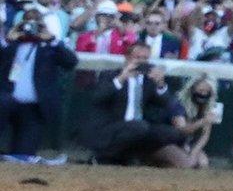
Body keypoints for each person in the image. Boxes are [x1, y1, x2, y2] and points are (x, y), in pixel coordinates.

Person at [83, 43, 194, 167]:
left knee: (171, 133)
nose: (141, 62)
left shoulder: (148, 80)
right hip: (113, 128)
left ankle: (137, 157)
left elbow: (167, 103)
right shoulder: (110, 75)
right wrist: (121, 78)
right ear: (127, 57)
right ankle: (102, 157)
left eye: (145, 58)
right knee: (139, 127)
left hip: (140, 127)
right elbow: (98, 97)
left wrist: (161, 84)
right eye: (137, 57)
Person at [0, 11, 78, 159]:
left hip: (33, 109)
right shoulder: (12, 45)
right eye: (27, 23)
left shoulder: (50, 47)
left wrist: (52, 40)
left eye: (36, 24)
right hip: (7, 103)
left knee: (24, 155)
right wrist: (8, 39)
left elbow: (71, 62)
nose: (31, 28)